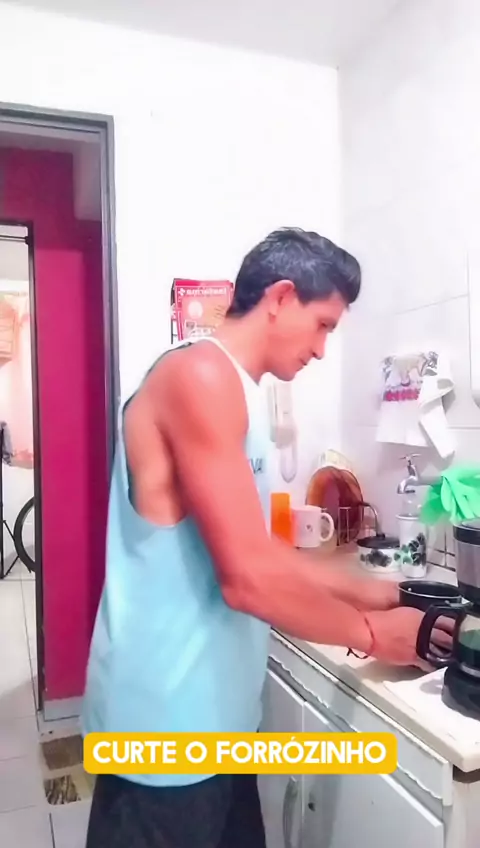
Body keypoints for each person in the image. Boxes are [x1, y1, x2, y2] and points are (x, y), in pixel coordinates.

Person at [82, 228, 450, 848]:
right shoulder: (200, 375)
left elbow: (258, 550)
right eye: (323, 325)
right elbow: (247, 579)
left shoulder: (234, 392)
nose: (322, 350)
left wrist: (379, 593)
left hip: (219, 727)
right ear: (280, 297)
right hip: (162, 734)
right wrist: (369, 633)